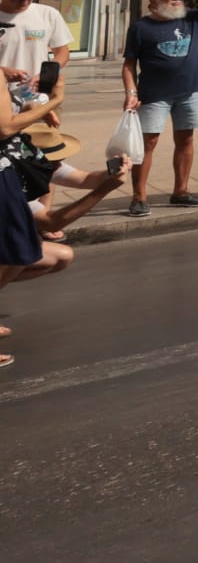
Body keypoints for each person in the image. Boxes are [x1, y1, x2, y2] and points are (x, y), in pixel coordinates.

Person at [2, 76, 133, 369]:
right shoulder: (13, 174)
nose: (58, 164)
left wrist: (111, 173)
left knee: (54, 255)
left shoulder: (31, 159)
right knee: (18, 251)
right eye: (55, 158)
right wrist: (104, 192)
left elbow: (84, 178)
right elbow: (52, 221)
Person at [120, 0, 198, 216]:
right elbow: (129, 64)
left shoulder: (192, 18)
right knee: (147, 144)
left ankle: (181, 192)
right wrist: (131, 92)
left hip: (189, 91)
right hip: (154, 94)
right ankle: (139, 197)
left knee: (186, 140)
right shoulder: (141, 27)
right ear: (154, 4)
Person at [0, 0, 73, 89]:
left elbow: (62, 52)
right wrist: (2, 72)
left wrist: (47, 74)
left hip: (38, 95)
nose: (24, 1)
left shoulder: (48, 14)